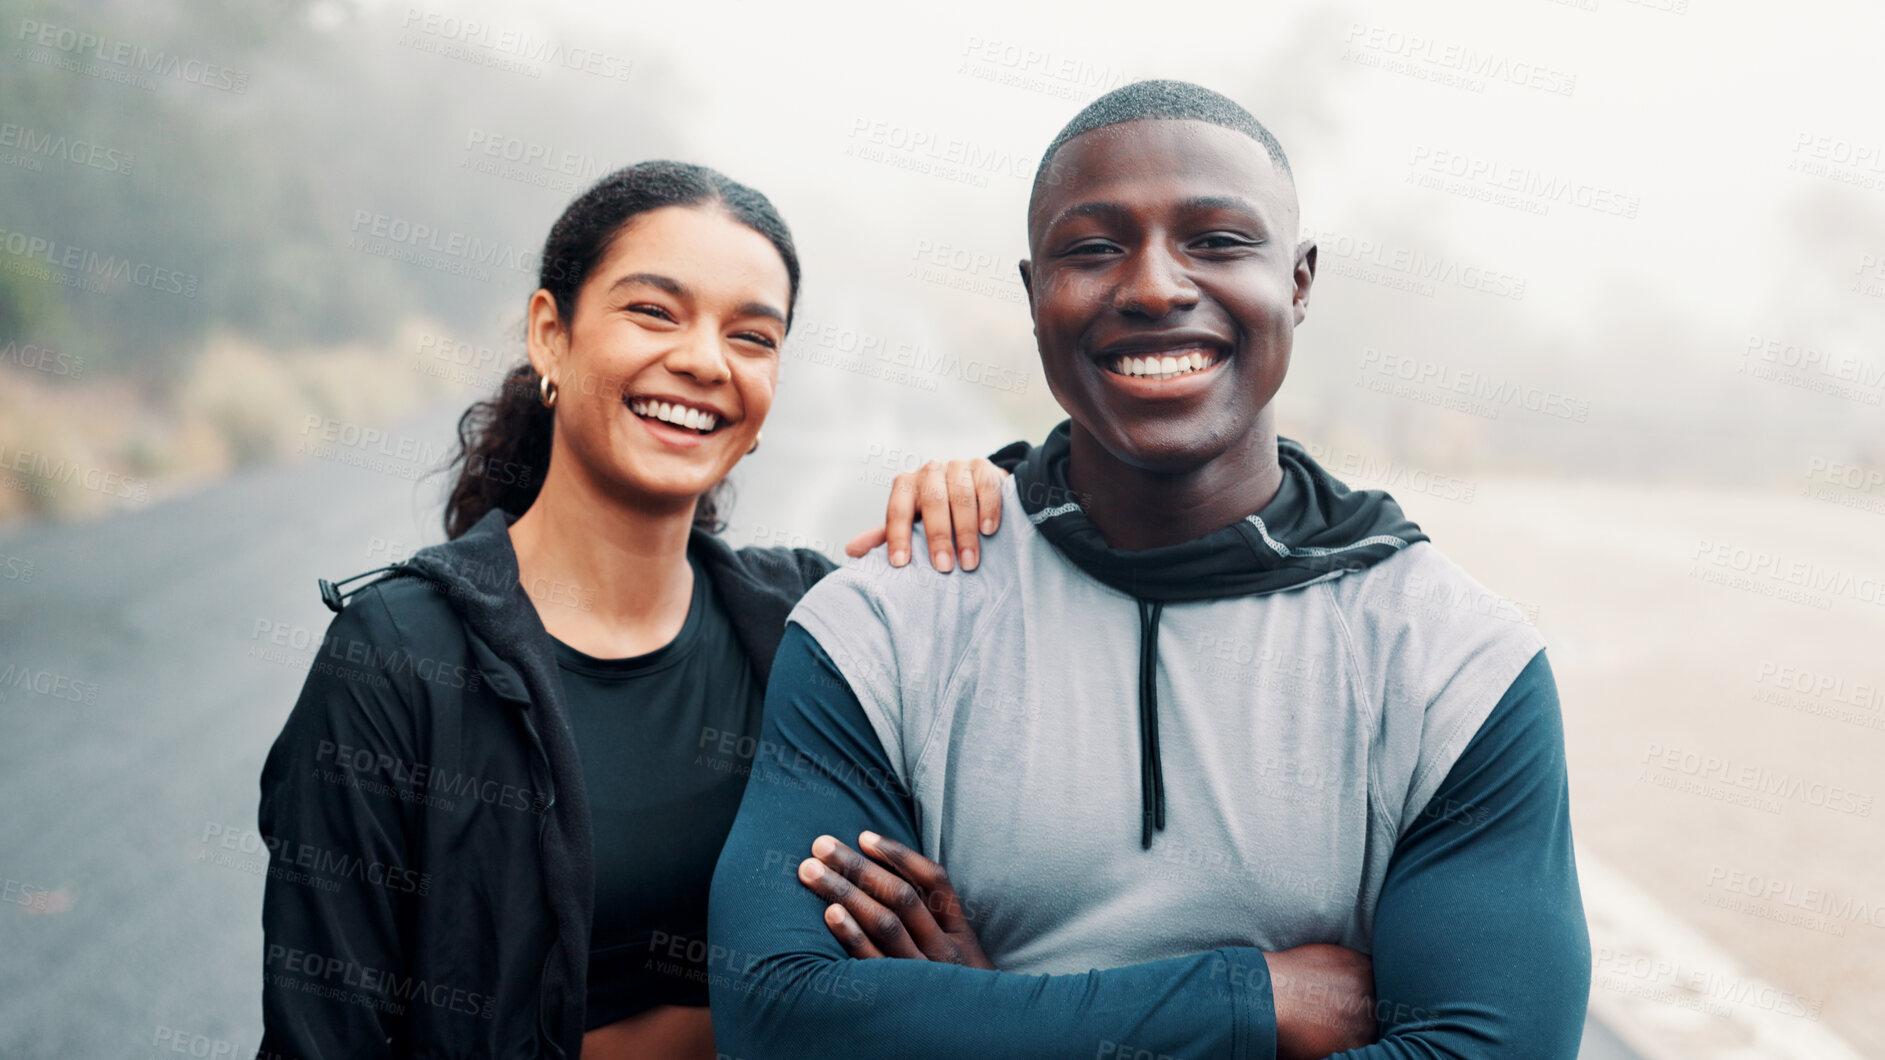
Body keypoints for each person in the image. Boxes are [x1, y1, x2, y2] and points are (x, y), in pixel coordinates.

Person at [707, 80, 1592, 1059]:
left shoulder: (1456, 665)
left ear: (1298, 282)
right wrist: (1248, 998)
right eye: (1092, 248)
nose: (1155, 286)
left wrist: (991, 1028)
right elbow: (778, 1017)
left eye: (1217, 241)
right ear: (1033, 292)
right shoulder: (876, 628)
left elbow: (1490, 1049)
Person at [255, 160, 1019, 1060]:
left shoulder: (813, 627)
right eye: (654, 311)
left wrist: (996, 490)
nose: (702, 360)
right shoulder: (397, 657)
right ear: (551, 335)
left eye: (752, 337)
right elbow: (323, 1034)